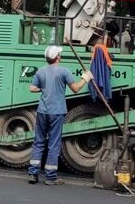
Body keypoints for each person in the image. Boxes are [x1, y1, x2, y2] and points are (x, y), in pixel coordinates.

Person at [27, 45, 92, 185]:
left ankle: (33, 174)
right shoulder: (64, 71)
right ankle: (50, 177)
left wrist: (43, 88)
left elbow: (32, 88)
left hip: (42, 111)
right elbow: (75, 89)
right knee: (53, 144)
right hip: (57, 112)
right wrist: (85, 78)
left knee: (38, 142)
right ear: (57, 57)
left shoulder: (41, 71)